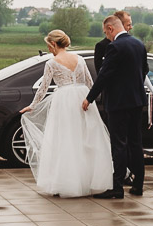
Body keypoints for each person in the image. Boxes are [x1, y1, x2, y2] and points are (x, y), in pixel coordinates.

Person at [19, 30, 113, 197]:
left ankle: (66, 183)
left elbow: (43, 88)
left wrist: (32, 105)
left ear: (53, 44)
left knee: (64, 140)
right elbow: (91, 83)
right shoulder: (80, 59)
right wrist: (90, 100)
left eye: (49, 46)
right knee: (85, 140)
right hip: (82, 97)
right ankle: (89, 181)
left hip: (63, 101)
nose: (49, 50)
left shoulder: (52, 63)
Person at [84, 14, 148, 199]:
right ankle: (138, 185)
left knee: (119, 144)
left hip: (118, 103)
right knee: (136, 143)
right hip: (137, 101)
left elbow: (104, 75)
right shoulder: (138, 44)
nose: (107, 36)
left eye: (106, 32)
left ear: (111, 29)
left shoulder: (114, 47)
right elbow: (144, 70)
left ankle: (117, 187)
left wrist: (90, 97)